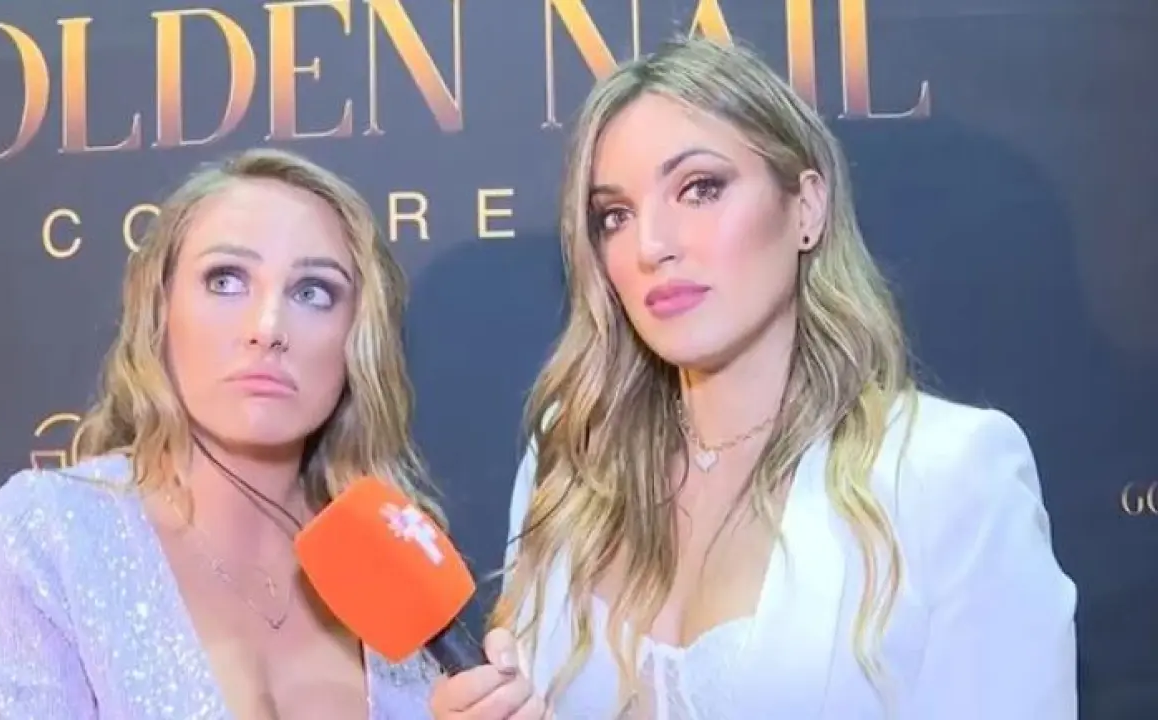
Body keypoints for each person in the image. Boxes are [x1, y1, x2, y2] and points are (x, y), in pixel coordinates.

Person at [429, 38, 1078, 719]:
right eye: (614, 216)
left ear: (807, 208)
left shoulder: (948, 474)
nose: (652, 245)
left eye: (700, 189)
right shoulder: (571, 460)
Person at [0, 148, 441, 718]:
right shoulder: (51, 533)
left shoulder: (388, 556)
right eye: (226, 280)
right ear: (159, 312)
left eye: (312, 292)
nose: (267, 328)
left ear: (359, 335)